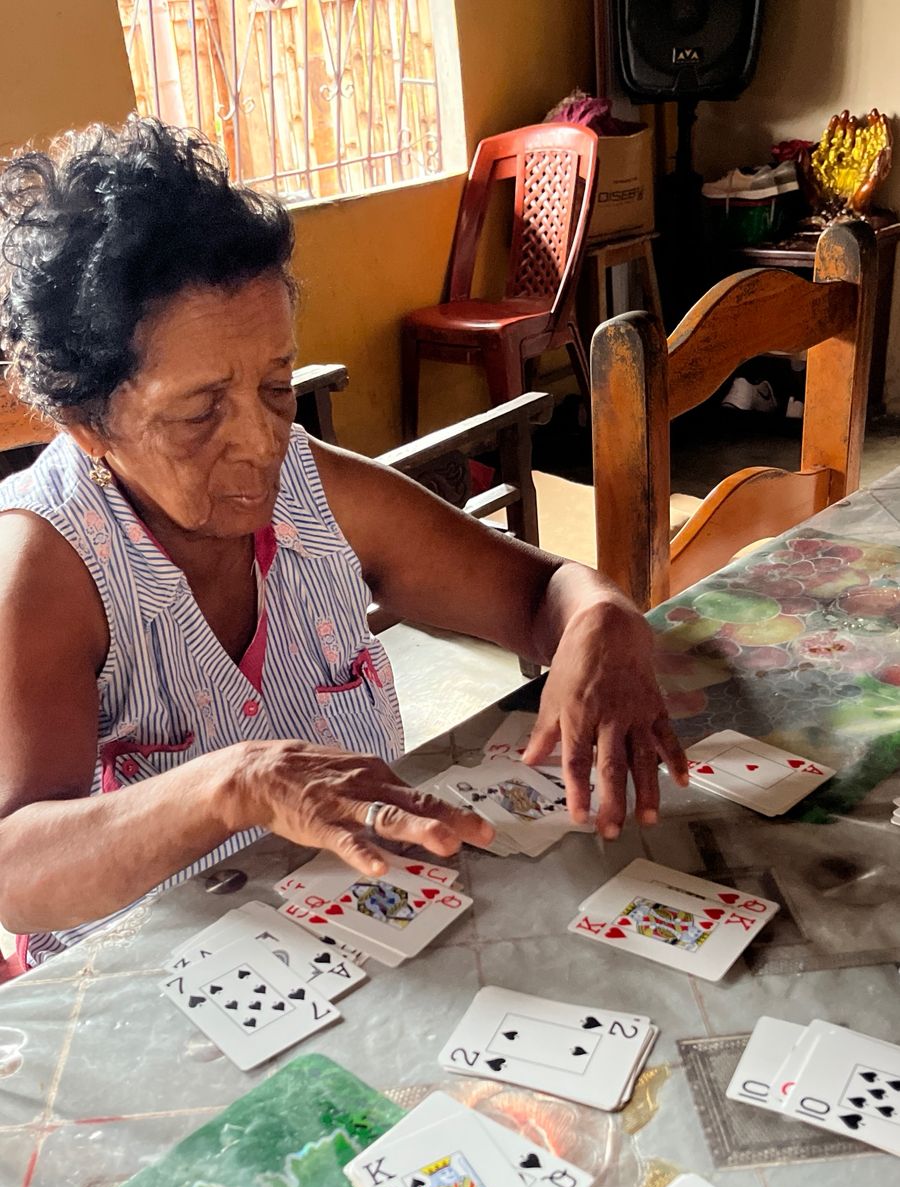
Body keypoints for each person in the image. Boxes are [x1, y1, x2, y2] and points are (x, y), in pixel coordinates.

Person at [0, 119, 687, 968]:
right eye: (199, 411)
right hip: (151, 978)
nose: (262, 443)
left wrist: (601, 618)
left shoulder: (309, 485)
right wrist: (234, 786)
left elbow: (539, 595)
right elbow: (15, 869)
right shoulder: (47, 565)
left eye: (276, 384)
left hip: (362, 924)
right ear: (85, 424)